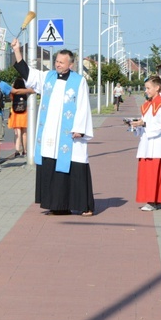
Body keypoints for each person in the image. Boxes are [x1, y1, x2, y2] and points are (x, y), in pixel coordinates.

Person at [12, 39, 95, 216]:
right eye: (56, 61)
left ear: (71, 65)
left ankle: (84, 205)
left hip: (69, 135)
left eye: (61, 62)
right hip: (50, 133)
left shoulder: (78, 81)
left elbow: (83, 106)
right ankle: (57, 205)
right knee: (51, 166)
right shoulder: (47, 77)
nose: (57, 64)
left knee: (76, 166)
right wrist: (17, 51)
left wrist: (80, 128)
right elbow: (27, 73)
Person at [129, 77, 161, 211]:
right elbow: (145, 122)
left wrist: (144, 124)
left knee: (153, 174)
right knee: (146, 174)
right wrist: (137, 124)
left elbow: (160, 125)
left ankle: (153, 200)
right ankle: (151, 199)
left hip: (156, 145)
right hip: (147, 144)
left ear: (157, 88)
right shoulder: (148, 105)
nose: (146, 91)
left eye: (148, 88)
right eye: (145, 88)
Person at [8, 77, 33, 158]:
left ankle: (17, 150)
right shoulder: (25, 91)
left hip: (15, 112)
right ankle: (25, 150)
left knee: (17, 133)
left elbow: (11, 99)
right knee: (24, 133)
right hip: (24, 112)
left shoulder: (13, 91)